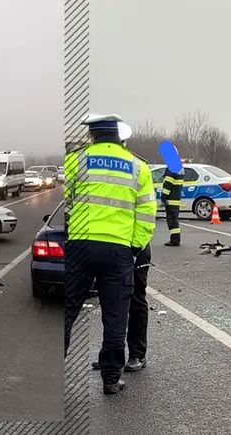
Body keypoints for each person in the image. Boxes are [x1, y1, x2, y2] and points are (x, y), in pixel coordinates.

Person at [64, 113, 156, 395]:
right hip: (118, 249)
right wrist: (134, 247)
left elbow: (66, 200)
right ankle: (111, 379)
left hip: (80, 244)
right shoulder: (139, 166)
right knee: (116, 316)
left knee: (67, 311)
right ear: (119, 136)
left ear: (92, 136)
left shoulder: (75, 160)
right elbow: (147, 214)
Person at [159, 163, 184, 246]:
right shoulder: (179, 168)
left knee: (172, 220)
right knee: (174, 219)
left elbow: (167, 185)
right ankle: (176, 239)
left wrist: (163, 198)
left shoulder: (171, 168)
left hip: (171, 199)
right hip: (176, 198)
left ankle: (175, 240)